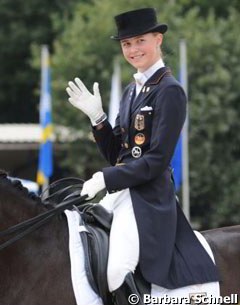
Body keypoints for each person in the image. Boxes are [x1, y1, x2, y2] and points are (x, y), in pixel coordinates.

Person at [66, 7, 219, 304]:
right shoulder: (130, 92)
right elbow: (118, 155)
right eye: (126, 44)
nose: (133, 49)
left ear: (158, 39)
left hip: (149, 200)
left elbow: (157, 160)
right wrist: (98, 119)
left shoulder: (169, 91)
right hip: (123, 195)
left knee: (116, 270)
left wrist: (104, 178)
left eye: (140, 41)